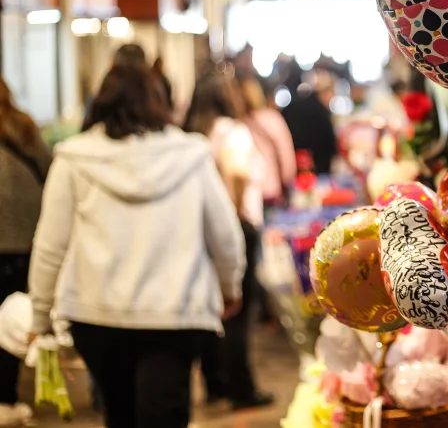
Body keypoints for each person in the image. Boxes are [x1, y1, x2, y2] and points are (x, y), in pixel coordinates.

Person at [27, 66, 245, 428]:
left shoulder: (74, 158)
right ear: (159, 101)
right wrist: (229, 286)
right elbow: (225, 234)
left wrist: (40, 315)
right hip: (176, 314)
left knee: (119, 413)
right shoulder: (190, 155)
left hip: (97, 315)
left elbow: (50, 244)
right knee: (166, 413)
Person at [184, 73, 273, 410]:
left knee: (210, 308)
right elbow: (236, 173)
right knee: (237, 309)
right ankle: (241, 387)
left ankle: (215, 384)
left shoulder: (193, 132)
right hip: (236, 225)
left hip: (198, 227)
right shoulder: (232, 132)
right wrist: (234, 215)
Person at [0, 79, 50, 427]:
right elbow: (50, 171)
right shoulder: (25, 125)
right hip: (27, 240)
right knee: (13, 320)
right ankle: (7, 395)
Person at [238, 77, 295, 207]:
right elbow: (287, 159)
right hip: (272, 192)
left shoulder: (237, 125)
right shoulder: (272, 119)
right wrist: (286, 183)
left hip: (249, 197)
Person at [282, 70, 337, 175]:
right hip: (317, 169)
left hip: (294, 165)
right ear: (326, 92)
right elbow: (330, 145)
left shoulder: (293, 106)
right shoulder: (322, 112)